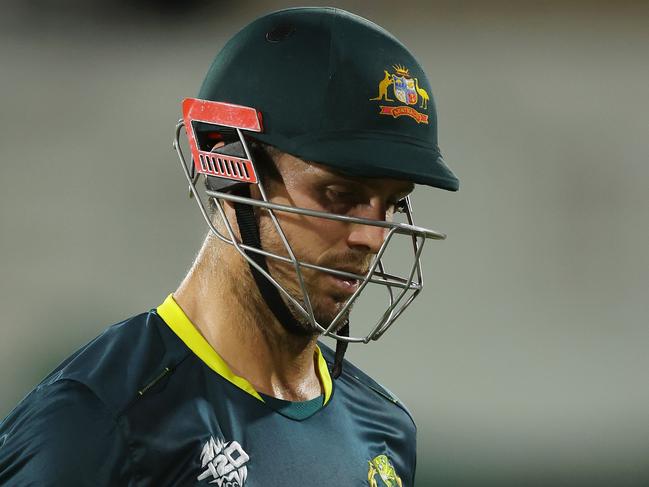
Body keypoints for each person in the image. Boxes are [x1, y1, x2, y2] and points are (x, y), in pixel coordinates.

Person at [0, 6, 458, 486]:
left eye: (392, 204)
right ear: (230, 169)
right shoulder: (100, 422)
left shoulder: (385, 431)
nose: (371, 236)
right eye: (339, 195)